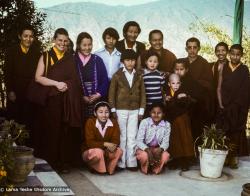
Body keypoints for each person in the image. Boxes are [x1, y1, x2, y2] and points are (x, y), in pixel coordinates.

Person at [33, 28, 82, 172]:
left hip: (67, 98)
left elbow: (75, 79)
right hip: (51, 99)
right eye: (60, 40)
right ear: (54, 40)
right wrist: (57, 84)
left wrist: (68, 85)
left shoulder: (70, 58)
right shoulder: (46, 56)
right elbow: (38, 77)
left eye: (65, 41)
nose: (62, 43)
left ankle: (63, 162)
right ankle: (51, 161)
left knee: (65, 130)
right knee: (52, 129)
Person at [109, 49, 146, 170]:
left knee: (132, 135)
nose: (130, 63)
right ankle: (121, 162)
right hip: (121, 109)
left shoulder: (139, 75)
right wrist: (113, 109)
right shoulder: (117, 75)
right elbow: (111, 94)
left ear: (135, 61)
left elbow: (143, 95)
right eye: (127, 60)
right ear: (123, 61)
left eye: (132, 60)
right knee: (122, 136)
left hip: (135, 110)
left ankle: (131, 162)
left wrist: (141, 110)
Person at [4, 25, 41, 146]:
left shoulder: (37, 53)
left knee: (29, 121)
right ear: (20, 36)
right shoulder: (11, 52)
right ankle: (13, 151)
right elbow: (7, 73)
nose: (28, 39)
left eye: (31, 36)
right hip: (15, 92)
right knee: (14, 121)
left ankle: (28, 150)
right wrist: (10, 91)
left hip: (30, 93)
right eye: (25, 36)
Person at [216, 44, 250, 168]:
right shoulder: (224, 67)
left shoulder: (244, 69)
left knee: (235, 132)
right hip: (224, 105)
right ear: (229, 54)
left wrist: (237, 105)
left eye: (238, 54)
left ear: (241, 55)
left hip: (237, 107)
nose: (235, 57)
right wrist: (220, 103)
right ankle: (224, 157)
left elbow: (245, 91)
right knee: (224, 131)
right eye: (233, 54)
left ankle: (234, 157)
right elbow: (219, 87)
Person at [184, 37, 214, 139]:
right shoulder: (182, 62)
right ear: (186, 49)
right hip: (183, 101)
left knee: (197, 128)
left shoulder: (204, 63)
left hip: (199, 102)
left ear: (199, 48)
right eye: (189, 47)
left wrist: (194, 85)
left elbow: (208, 83)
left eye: (194, 47)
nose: (192, 50)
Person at [74, 32, 109, 118]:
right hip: (78, 97)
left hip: (96, 97)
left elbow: (105, 79)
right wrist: (82, 96)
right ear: (78, 45)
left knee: (94, 122)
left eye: (89, 45)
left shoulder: (97, 60)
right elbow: (71, 81)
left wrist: (98, 94)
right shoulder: (73, 60)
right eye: (84, 45)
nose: (87, 48)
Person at [82, 101, 123, 175]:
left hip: (106, 151)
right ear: (95, 113)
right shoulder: (90, 122)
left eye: (106, 112)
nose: (104, 115)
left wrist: (113, 145)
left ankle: (108, 168)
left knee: (119, 151)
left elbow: (116, 139)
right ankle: (93, 166)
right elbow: (90, 143)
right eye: (100, 112)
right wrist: (105, 144)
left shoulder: (113, 122)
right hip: (91, 152)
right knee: (98, 152)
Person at [165, 73, 195, 171]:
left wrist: (185, 97)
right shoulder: (167, 93)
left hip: (182, 120)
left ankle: (185, 161)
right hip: (173, 121)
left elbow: (190, 103)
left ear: (180, 83)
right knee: (175, 140)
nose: (176, 86)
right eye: (173, 83)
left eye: (178, 83)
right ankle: (176, 160)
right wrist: (166, 99)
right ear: (169, 84)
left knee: (184, 139)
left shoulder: (182, 93)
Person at [136, 102, 170, 174]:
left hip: (157, 148)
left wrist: (160, 149)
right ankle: (145, 166)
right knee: (144, 156)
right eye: (153, 112)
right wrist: (147, 150)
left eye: (159, 113)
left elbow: (166, 142)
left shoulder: (167, 124)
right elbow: (139, 141)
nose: (156, 115)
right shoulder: (144, 122)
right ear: (150, 113)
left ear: (163, 114)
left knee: (165, 156)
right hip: (145, 148)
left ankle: (155, 168)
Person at [142, 51, 165, 116]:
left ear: (158, 63)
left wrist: (163, 101)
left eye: (155, 62)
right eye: (150, 61)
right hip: (147, 104)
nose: (152, 63)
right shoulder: (143, 76)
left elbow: (162, 89)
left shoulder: (160, 75)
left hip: (158, 103)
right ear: (146, 62)